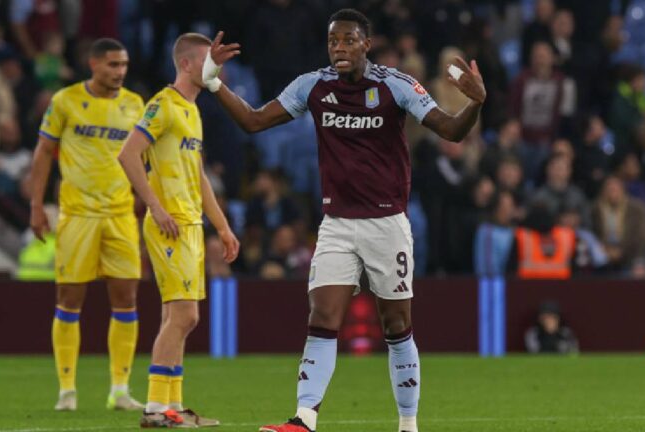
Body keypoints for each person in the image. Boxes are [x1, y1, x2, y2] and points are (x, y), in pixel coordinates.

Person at [203, 8, 485, 432]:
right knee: (322, 318)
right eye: (334, 41)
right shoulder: (313, 86)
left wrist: (476, 103)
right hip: (336, 224)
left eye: (349, 40)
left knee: (397, 326)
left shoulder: (396, 86)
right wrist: (212, 81)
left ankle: (408, 425)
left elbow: (450, 131)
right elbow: (253, 120)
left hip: (387, 224)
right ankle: (304, 418)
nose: (340, 48)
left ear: (366, 45)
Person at [117, 33, 240, 428]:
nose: (212, 70)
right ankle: (155, 409)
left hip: (191, 224)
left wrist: (222, 227)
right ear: (186, 64)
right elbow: (127, 154)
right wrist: (155, 206)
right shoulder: (163, 105)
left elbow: (198, 176)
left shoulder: (191, 110)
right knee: (186, 317)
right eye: (206, 62)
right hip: (170, 224)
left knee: (177, 316)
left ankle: (173, 406)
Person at [28, 38, 145, 412]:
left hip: (120, 215)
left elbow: (143, 158)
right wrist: (36, 205)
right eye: (113, 64)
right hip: (77, 215)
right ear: (93, 64)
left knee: (126, 299)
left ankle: (120, 390)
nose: (120, 71)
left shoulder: (134, 104)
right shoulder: (64, 101)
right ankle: (67, 390)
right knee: (69, 300)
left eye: (123, 64)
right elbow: (45, 151)